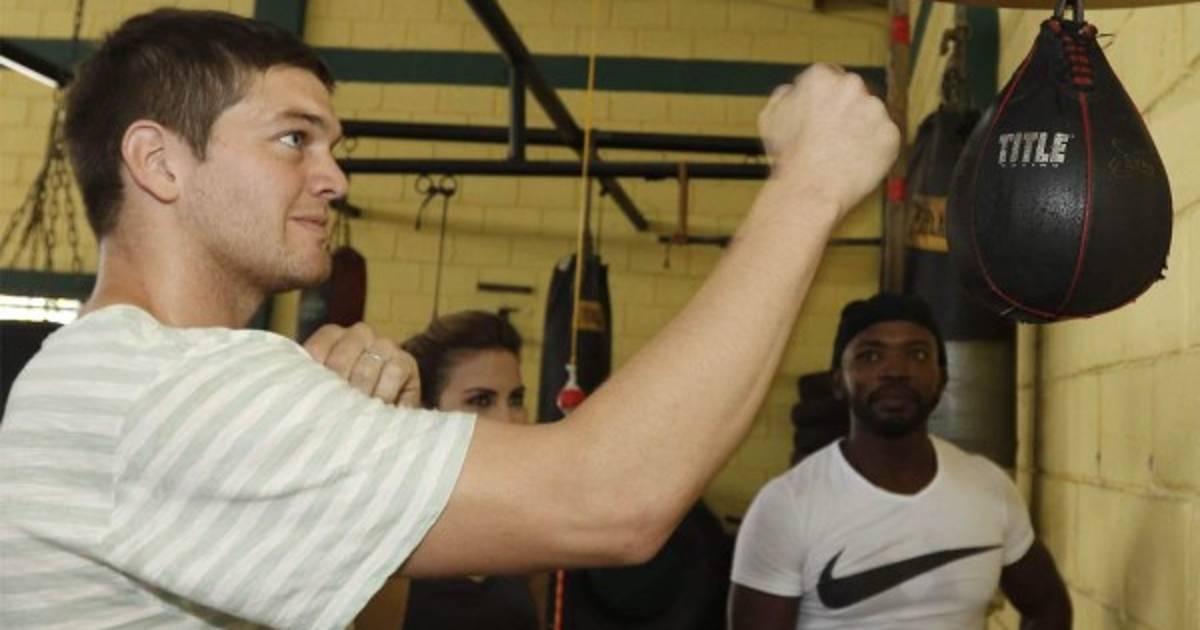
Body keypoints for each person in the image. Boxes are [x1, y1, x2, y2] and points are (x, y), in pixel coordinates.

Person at [0, 8, 899, 629]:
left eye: (333, 146)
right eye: (293, 139)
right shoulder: (168, 387)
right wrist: (811, 184)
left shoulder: (126, 381)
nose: (334, 177)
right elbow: (610, 500)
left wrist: (366, 450)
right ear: (158, 162)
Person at [728, 293, 1072, 630]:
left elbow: (1049, 608)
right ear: (838, 382)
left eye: (918, 354)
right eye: (870, 355)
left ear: (942, 379)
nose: (895, 370)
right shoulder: (787, 505)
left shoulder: (989, 487)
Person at [358, 310, 541, 630]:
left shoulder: (524, 532)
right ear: (430, 411)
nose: (509, 420)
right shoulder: (393, 535)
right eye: (481, 400)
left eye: (516, 399)